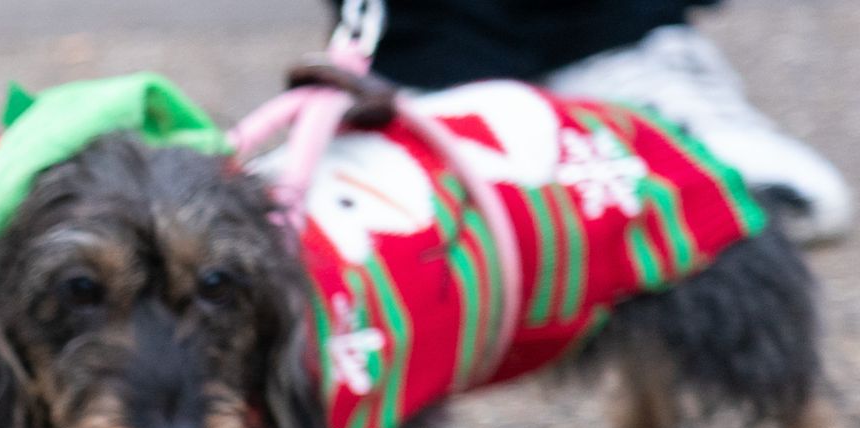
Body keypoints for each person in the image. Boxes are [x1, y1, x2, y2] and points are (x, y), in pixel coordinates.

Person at [348, 0, 851, 243]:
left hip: (614, 28)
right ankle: (426, 77)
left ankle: (619, 36)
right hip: (424, 51)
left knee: (733, 215)